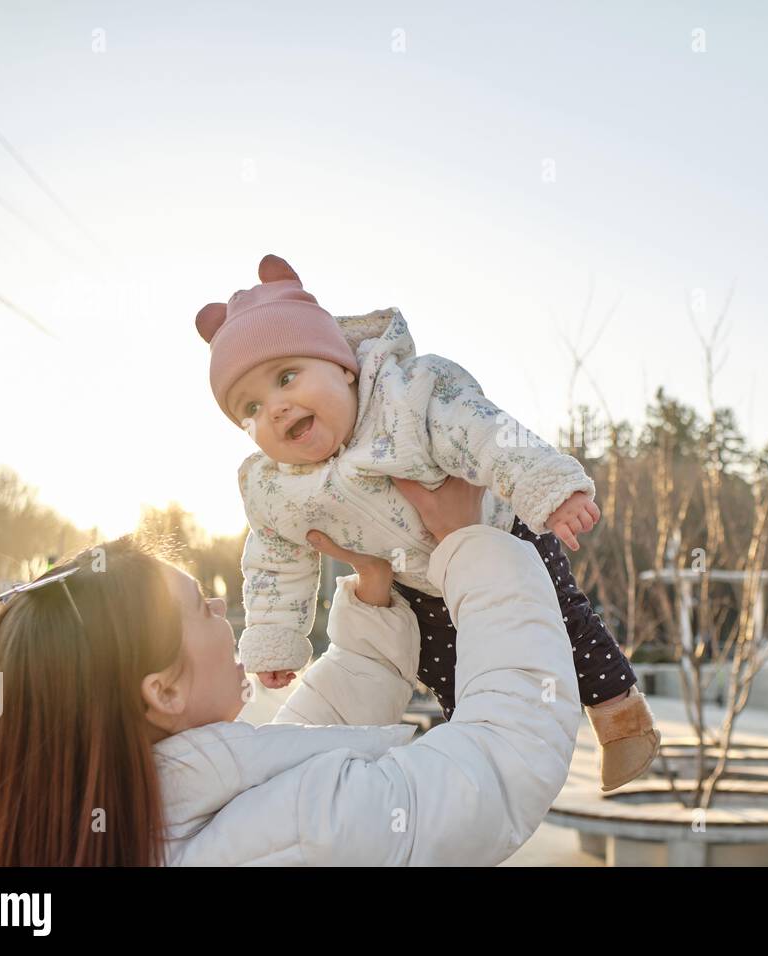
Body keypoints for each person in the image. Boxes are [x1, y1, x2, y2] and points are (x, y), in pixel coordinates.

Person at [192, 253, 658, 790]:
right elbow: (275, 562)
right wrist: (276, 637)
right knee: (442, 664)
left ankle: (621, 717)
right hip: (417, 582)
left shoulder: (409, 398)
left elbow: (487, 434)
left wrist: (546, 487)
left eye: (287, 376)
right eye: (249, 406)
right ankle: (475, 740)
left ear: (343, 364)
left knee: (561, 618)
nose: (273, 407)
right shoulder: (276, 488)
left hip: (498, 534)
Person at [0, 476, 580, 865]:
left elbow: (297, 750)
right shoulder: (302, 831)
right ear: (164, 690)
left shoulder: (132, 818)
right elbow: (503, 763)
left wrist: (370, 604)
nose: (220, 611)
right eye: (200, 608)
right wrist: (474, 544)